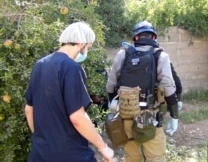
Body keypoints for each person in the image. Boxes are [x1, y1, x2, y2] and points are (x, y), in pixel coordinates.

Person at [24, 21, 114, 162]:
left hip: (39, 154)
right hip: (70, 153)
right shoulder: (71, 68)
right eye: (88, 47)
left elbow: (29, 109)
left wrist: (42, 140)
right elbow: (78, 117)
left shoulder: (40, 65)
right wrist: (103, 147)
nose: (86, 52)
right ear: (81, 44)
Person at [106, 20, 179, 162]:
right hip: (150, 117)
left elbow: (111, 84)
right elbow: (169, 87)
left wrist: (112, 103)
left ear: (136, 38)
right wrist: (174, 115)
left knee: (132, 157)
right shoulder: (161, 56)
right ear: (153, 37)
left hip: (126, 114)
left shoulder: (123, 54)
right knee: (155, 157)